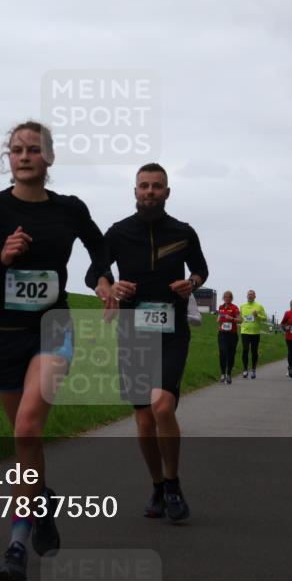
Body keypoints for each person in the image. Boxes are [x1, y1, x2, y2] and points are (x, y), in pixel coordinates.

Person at [0, 121, 111, 581]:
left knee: (26, 427)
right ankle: (42, 502)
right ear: (9, 158)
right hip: (1, 334)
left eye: (33, 150)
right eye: (17, 150)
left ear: (49, 159)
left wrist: (99, 278)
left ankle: (16, 545)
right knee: (26, 442)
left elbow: (97, 246)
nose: (24, 156)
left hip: (52, 329)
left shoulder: (70, 209)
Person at [99, 163, 208, 523]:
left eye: (157, 186)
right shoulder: (118, 232)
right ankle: (158, 485)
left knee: (162, 407)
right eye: (144, 186)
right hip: (132, 332)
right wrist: (111, 286)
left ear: (167, 192)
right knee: (144, 421)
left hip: (172, 331)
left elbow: (200, 269)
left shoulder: (183, 232)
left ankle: (174, 483)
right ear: (135, 192)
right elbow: (94, 272)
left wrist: (190, 283)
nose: (150, 191)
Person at [239, 290, 267, 378]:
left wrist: (257, 316)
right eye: (248, 295)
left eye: (251, 295)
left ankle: (253, 370)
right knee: (245, 350)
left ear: (255, 296)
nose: (250, 296)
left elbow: (265, 318)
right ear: (247, 296)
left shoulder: (259, 306)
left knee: (254, 352)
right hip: (245, 331)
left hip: (255, 332)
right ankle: (245, 369)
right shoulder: (242, 306)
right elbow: (240, 318)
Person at [216, 291, 241, 384]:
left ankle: (229, 373)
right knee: (222, 352)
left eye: (228, 297)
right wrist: (218, 319)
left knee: (231, 354)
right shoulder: (221, 307)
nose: (226, 298)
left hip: (232, 335)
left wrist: (232, 319)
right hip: (222, 334)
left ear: (231, 298)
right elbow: (218, 319)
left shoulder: (235, 308)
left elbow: (240, 320)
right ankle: (222, 374)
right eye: (225, 297)